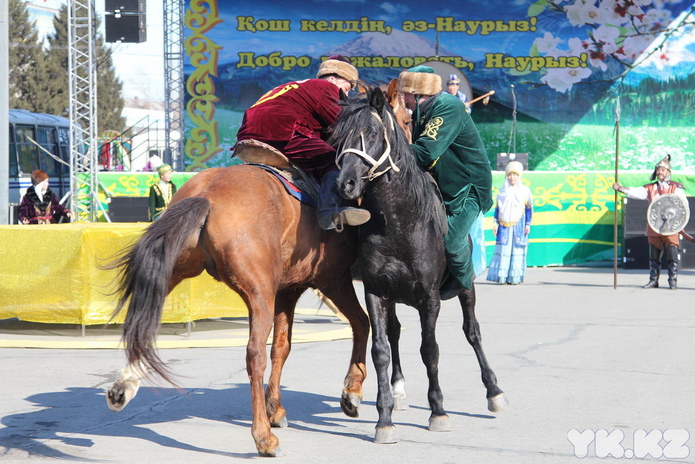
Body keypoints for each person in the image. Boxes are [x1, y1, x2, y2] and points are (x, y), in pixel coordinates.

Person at [234, 55, 370, 231]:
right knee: (333, 161)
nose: (346, 95)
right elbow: (344, 126)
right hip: (281, 130)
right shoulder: (326, 87)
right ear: (331, 79)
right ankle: (330, 210)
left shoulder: (295, 86)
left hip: (247, 134)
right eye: (346, 88)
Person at [398, 65, 493, 299]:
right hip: (442, 184)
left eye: (405, 94)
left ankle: (464, 283)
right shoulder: (421, 112)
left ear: (418, 92)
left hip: (468, 186)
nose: (403, 100)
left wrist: (388, 151)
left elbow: (426, 152)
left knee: (451, 240)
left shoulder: (448, 106)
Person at [613, 155, 687, 289]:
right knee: (654, 257)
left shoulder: (676, 188)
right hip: (655, 226)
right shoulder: (650, 188)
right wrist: (620, 188)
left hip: (671, 227)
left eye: (663, 170)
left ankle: (672, 280)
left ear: (668, 172)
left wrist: (679, 223)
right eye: (658, 170)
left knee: (672, 254)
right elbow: (635, 192)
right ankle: (654, 280)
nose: (660, 172)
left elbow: (683, 206)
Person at [486, 161, 533, 284]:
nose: (512, 177)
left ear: (519, 177)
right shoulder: (502, 192)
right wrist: (495, 223)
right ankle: (502, 277)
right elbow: (497, 210)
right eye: (510, 175)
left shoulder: (525, 191)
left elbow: (529, 209)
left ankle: (514, 278)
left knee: (517, 250)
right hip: (504, 226)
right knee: (504, 250)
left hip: (519, 225)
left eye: (515, 175)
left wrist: (528, 224)